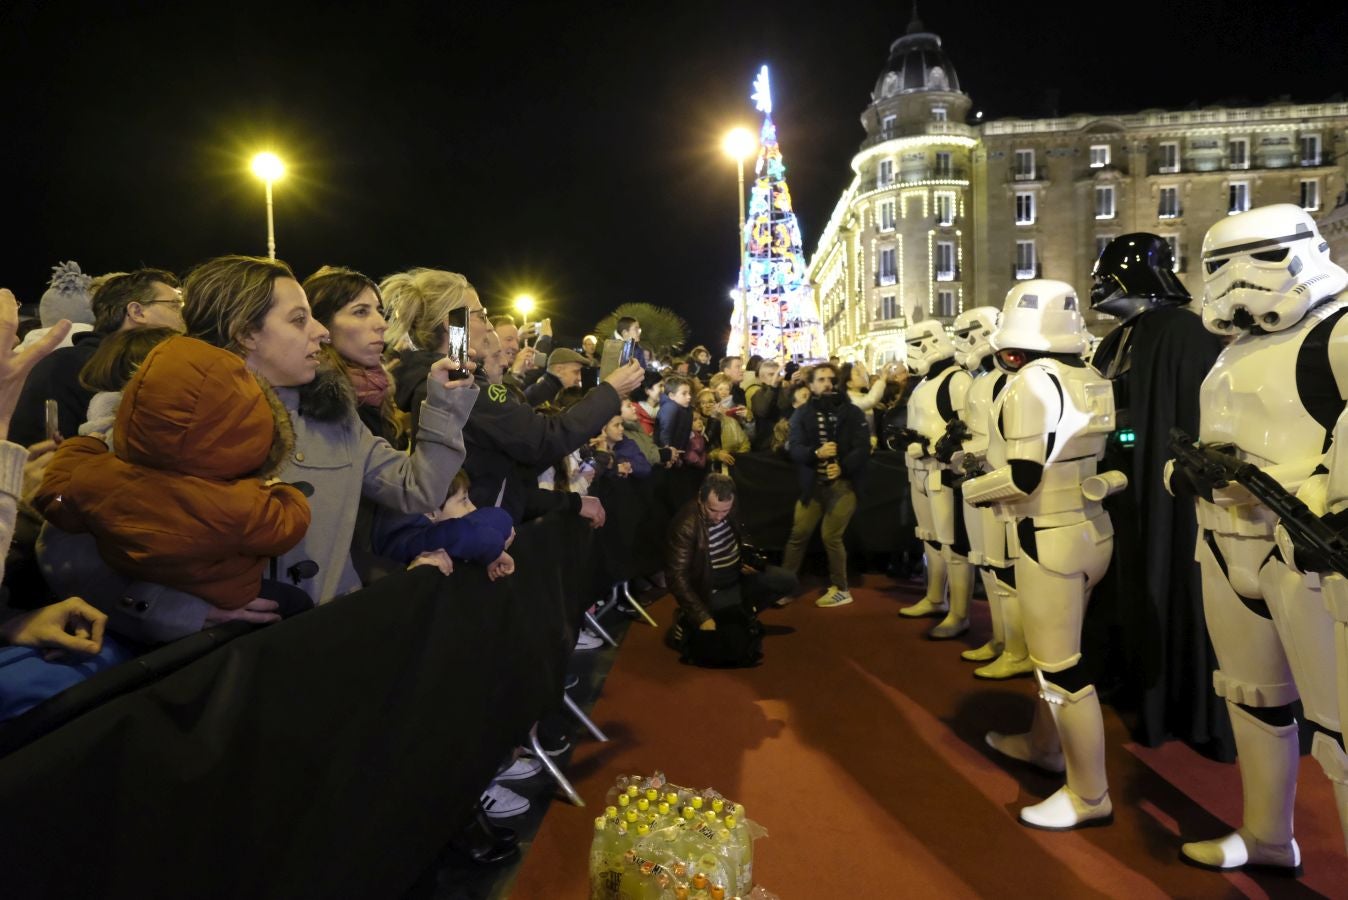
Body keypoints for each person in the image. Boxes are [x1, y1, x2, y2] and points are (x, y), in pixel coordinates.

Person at [1167, 205, 1348, 874]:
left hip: (1308, 556)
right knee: (1252, 698)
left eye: (1266, 256)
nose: (1242, 279)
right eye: (1222, 265)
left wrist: (1316, 501)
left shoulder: (1339, 334)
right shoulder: (1232, 354)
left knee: (1340, 735)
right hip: (1223, 544)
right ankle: (1268, 834)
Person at [963, 279, 1123, 831]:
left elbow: (1024, 476)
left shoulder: (1030, 382)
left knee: (1061, 669)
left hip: (1048, 534)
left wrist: (971, 487)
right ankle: (1043, 745)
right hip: (1091, 528)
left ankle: (1088, 794)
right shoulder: (1089, 375)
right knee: (1057, 660)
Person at [34, 335, 312, 610]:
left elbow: (55, 497)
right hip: (228, 600)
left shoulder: (93, 482)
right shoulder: (242, 507)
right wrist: (282, 491)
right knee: (297, 605)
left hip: (133, 591)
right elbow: (291, 522)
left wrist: (84, 445)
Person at [938, 306, 1031, 679]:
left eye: (966, 335)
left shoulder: (1013, 379)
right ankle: (1002, 639)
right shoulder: (985, 380)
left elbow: (1008, 440)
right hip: (983, 479)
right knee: (992, 568)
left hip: (1006, 484)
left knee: (1006, 570)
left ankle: (1017, 647)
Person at [10, 267, 184, 446]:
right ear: (137, 312)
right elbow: (36, 457)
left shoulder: (170, 363)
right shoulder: (66, 366)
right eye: (176, 304)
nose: (185, 313)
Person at [665, 473, 798, 666]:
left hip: (737, 576)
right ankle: (688, 621)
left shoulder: (730, 506)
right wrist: (701, 616)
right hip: (711, 588)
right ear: (699, 499)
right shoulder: (684, 526)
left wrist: (745, 555)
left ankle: (742, 613)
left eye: (725, 511)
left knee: (787, 580)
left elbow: (741, 533)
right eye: (713, 510)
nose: (719, 517)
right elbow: (676, 577)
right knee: (734, 646)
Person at [896, 321, 974, 639]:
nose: (912, 352)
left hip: (944, 471)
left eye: (916, 344)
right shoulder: (926, 382)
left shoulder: (957, 381)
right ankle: (934, 597)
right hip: (918, 471)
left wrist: (929, 447)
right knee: (929, 537)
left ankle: (959, 613)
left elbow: (966, 431)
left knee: (952, 544)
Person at [781, 363, 869, 608]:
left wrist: (843, 466)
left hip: (844, 486)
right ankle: (784, 586)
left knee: (831, 536)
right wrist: (816, 452)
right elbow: (795, 448)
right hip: (814, 487)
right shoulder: (802, 414)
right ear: (810, 384)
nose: (827, 383)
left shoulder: (852, 412)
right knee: (798, 535)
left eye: (831, 379)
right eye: (821, 379)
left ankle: (841, 588)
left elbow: (863, 448)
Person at [304, 266, 405, 445]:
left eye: (379, 312)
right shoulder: (319, 403)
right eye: (360, 312)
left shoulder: (377, 387)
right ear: (321, 326)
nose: (382, 324)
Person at [657, 374, 695, 458]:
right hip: (669, 456)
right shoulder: (670, 409)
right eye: (684, 394)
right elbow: (665, 434)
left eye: (689, 393)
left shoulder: (686, 409)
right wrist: (668, 454)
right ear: (671, 396)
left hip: (678, 454)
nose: (689, 397)